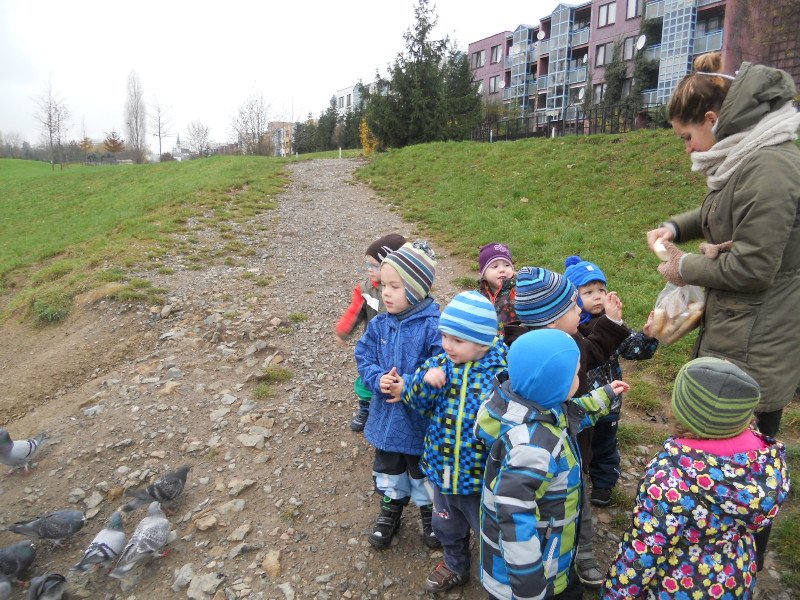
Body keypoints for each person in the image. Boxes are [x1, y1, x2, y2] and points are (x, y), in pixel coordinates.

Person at [646, 52, 800, 569]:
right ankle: (706, 555)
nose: (687, 148)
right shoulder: (747, 156)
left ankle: (739, 566)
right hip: (738, 330)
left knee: (746, 466)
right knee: (718, 456)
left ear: (713, 119)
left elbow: (754, 268)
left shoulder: (771, 169)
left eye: (687, 136)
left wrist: (684, 266)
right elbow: (722, 209)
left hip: (758, 342)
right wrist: (676, 226)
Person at [602, 357, 790, 599]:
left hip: (677, 586)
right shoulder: (765, 459)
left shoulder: (668, 476)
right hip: (735, 577)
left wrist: (616, 594)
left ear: (680, 410)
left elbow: (646, 549)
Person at [474, 329, 629, 600]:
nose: (579, 378)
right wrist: (528, 584)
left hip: (549, 555)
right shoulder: (534, 449)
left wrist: (603, 396)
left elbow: (570, 413)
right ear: (555, 385)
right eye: (576, 373)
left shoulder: (531, 406)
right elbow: (513, 517)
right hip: (531, 578)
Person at [509, 266, 631, 587]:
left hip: (572, 439)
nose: (580, 310)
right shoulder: (533, 351)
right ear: (551, 321)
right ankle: (542, 558)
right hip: (545, 447)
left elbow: (594, 354)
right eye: (573, 306)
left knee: (578, 498)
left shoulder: (568, 338)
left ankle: (583, 550)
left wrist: (611, 322)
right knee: (548, 504)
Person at [398, 291, 508, 593]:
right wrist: (424, 383)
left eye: (457, 340)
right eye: (445, 336)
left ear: (483, 343)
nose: (447, 345)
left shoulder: (501, 374)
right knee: (446, 523)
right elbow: (415, 402)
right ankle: (455, 564)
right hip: (444, 468)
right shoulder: (440, 364)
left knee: (488, 528)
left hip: (481, 476)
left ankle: (498, 573)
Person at [354, 241, 443, 550]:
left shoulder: (434, 328)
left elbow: (442, 370)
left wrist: (410, 386)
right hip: (386, 418)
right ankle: (390, 509)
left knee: (422, 469)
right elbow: (364, 357)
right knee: (389, 466)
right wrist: (377, 379)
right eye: (384, 286)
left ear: (416, 290)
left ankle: (430, 513)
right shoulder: (379, 325)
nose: (386, 293)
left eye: (395, 286)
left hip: (419, 421)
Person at [564, 255, 659, 507]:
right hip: (579, 402)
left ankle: (603, 484)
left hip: (608, 404)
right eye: (588, 292)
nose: (597, 296)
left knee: (605, 445)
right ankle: (575, 476)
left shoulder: (614, 324)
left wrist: (647, 336)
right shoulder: (571, 328)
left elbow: (635, 350)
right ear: (573, 298)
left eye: (601, 290)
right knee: (577, 441)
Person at [335, 233, 407, 432]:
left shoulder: (406, 291)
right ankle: (366, 407)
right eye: (367, 264)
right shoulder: (365, 290)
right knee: (369, 378)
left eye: (375, 266)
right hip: (375, 345)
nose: (369, 269)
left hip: (401, 345)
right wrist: (343, 330)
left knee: (397, 377)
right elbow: (355, 312)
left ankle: (401, 408)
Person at [477, 242, 518, 337]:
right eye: (495, 266)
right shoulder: (479, 296)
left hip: (513, 338)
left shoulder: (519, 290)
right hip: (487, 340)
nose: (502, 270)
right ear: (483, 274)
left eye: (507, 265)